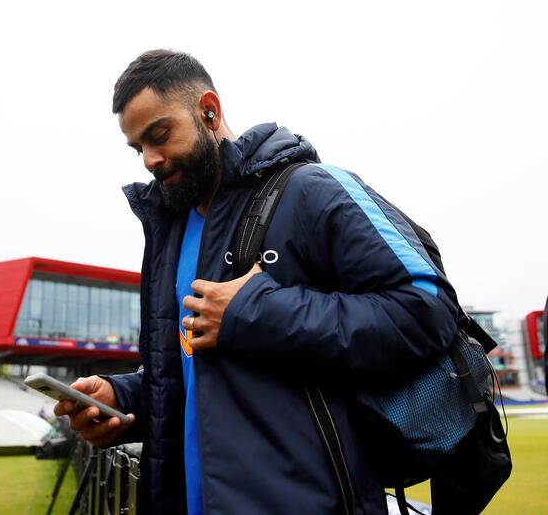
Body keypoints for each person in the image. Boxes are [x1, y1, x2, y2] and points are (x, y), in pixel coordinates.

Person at [54, 49, 458, 514]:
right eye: (137, 148)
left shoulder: (313, 189)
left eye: (159, 135)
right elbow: (195, 378)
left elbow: (428, 308)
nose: (148, 160)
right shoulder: (171, 233)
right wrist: (123, 400)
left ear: (210, 110)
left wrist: (255, 312)